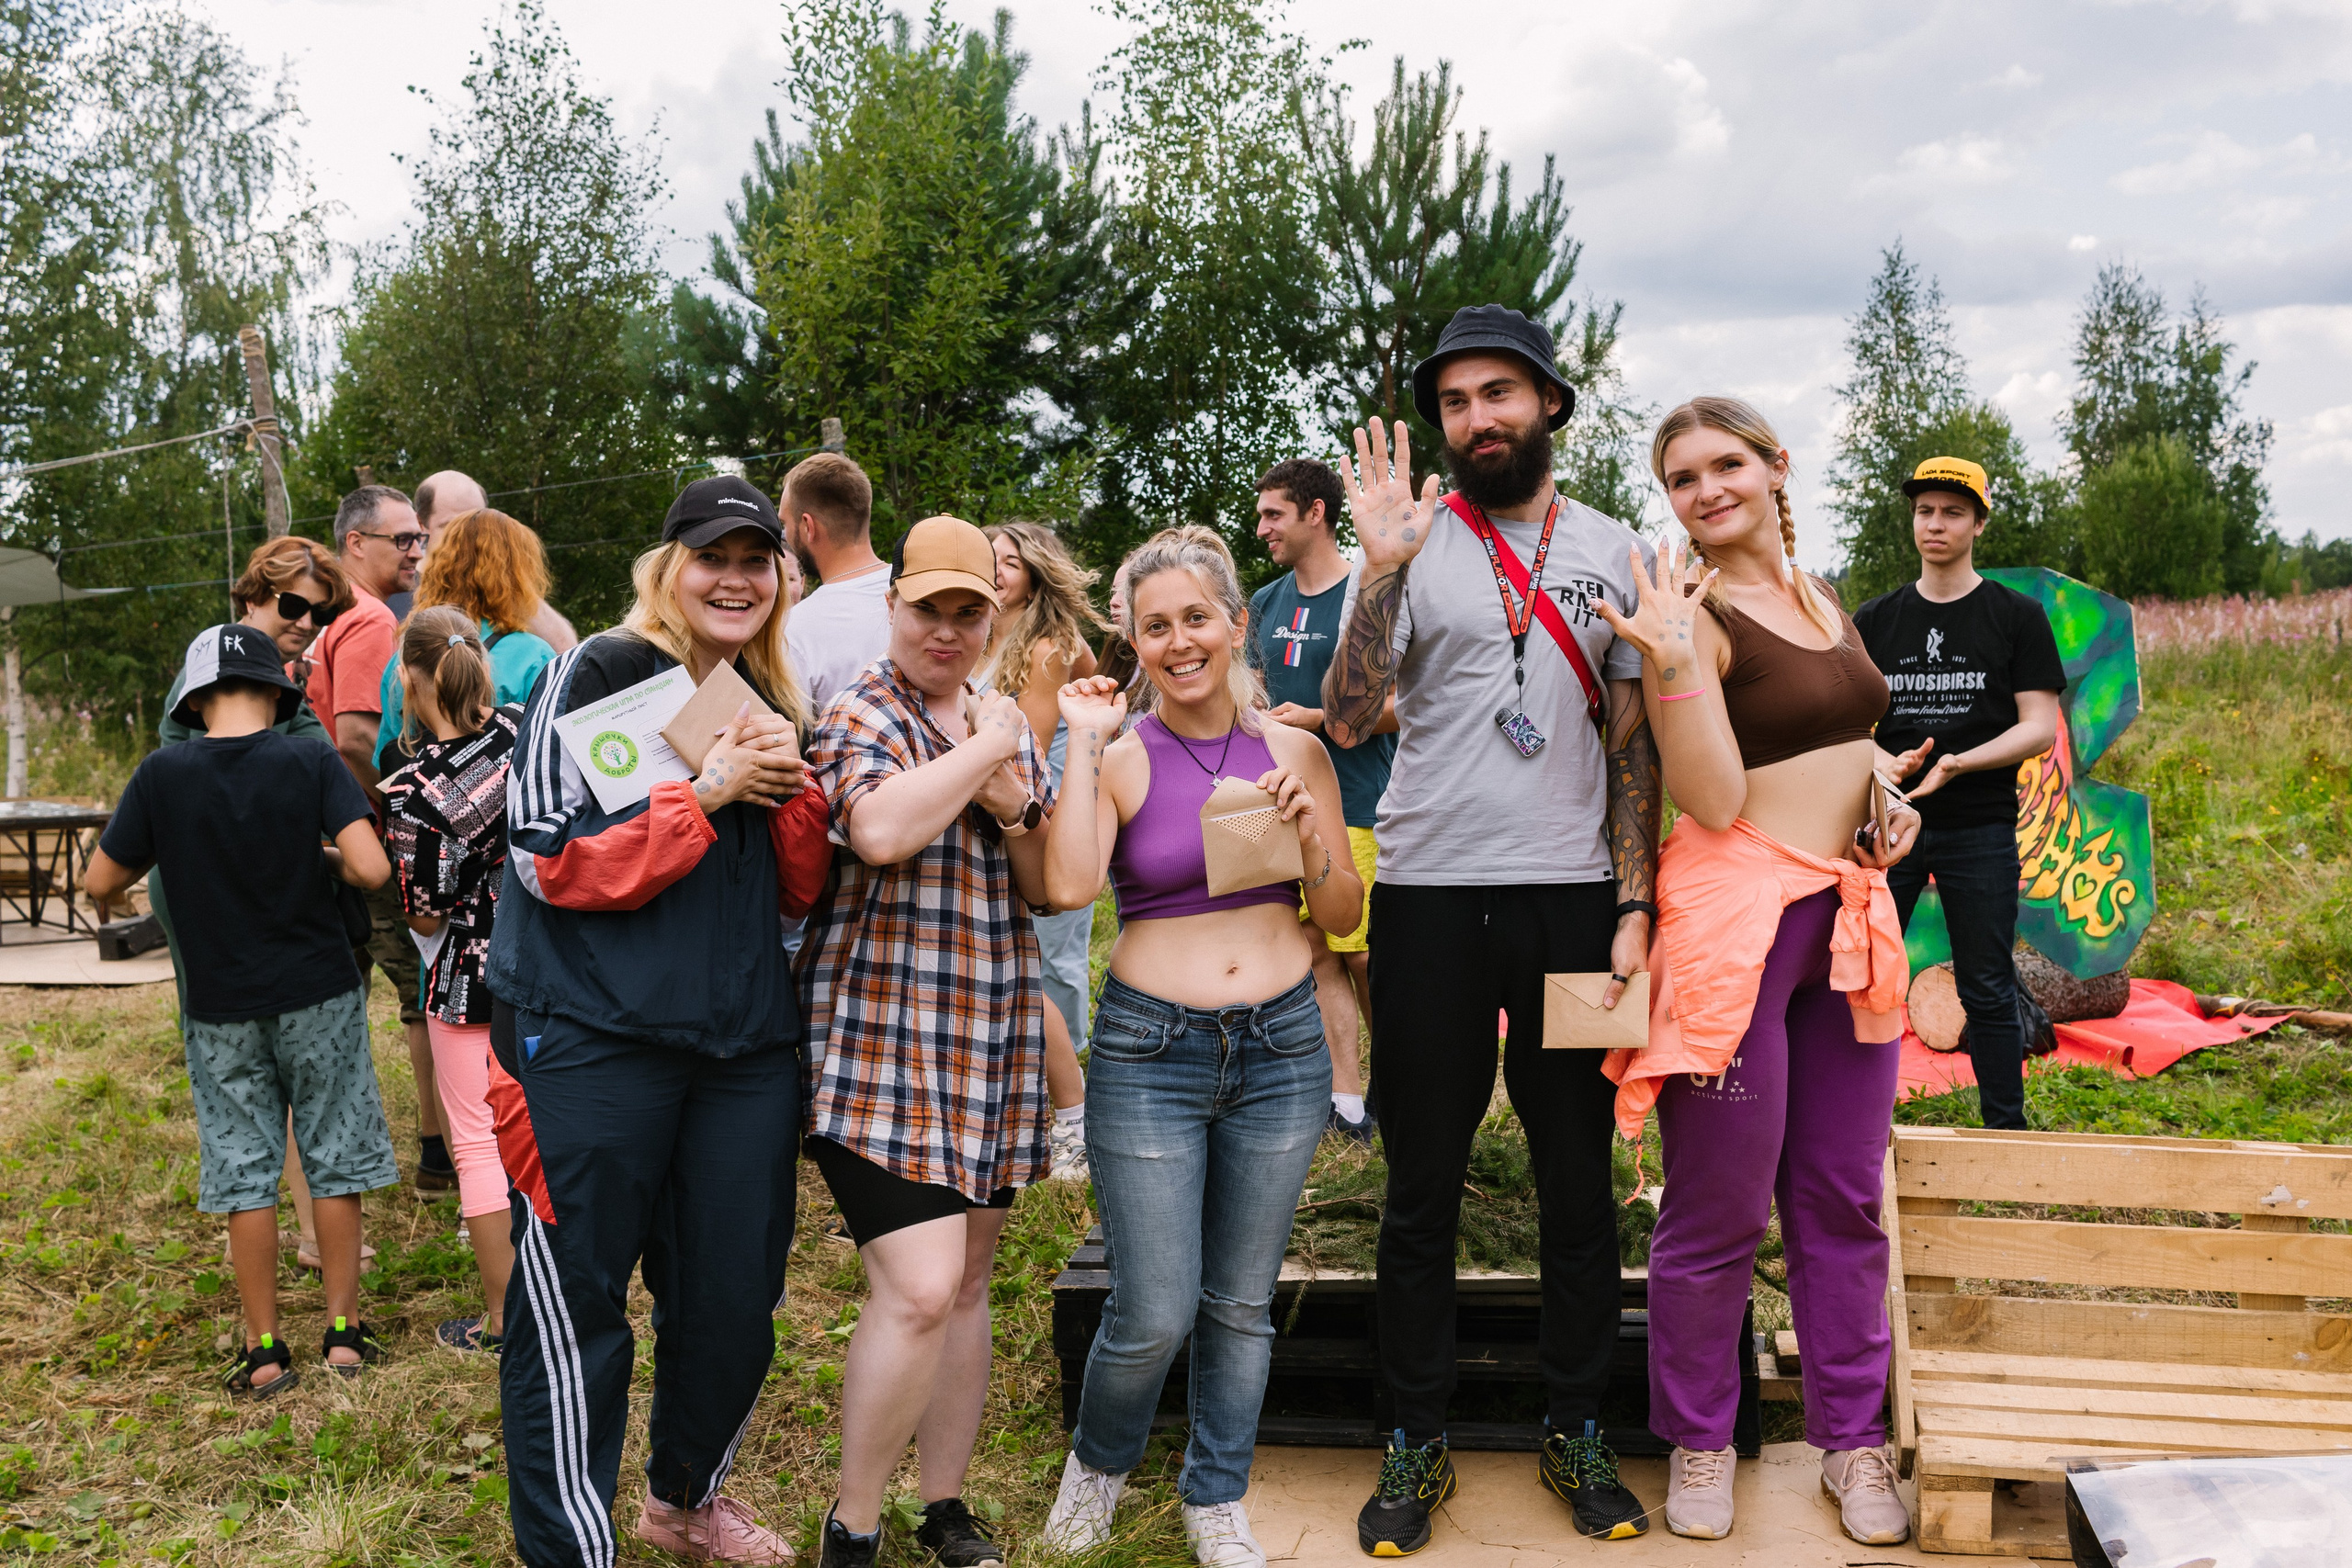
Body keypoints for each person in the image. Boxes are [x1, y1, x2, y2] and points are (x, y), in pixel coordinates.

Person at [1320, 305, 1662, 1549]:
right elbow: (1349, 715)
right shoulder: (1416, 541)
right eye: (1456, 401)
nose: (1476, 418)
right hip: (1425, 899)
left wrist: (1634, 901)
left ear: (1549, 404)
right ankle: (1416, 1435)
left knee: (1578, 1179)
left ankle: (1579, 1426)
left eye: (1498, 394)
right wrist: (1380, 568)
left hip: (1574, 899)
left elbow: (1630, 750)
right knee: (1424, 1184)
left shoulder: (1618, 549)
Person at [485, 475, 831, 1568]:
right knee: (577, 1302)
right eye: (711, 557)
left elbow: (802, 889)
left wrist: (789, 791)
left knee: (733, 1298)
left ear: (780, 577)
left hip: (740, 1051)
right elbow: (546, 857)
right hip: (590, 1040)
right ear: (667, 568)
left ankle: (686, 1498)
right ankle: (573, 1548)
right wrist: (706, 789)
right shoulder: (600, 669)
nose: (733, 578)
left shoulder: (768, 692)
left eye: (755, 560)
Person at [1594, 396, 1920, 1546]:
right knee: (1719, 1205)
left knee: (1838, 1197)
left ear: (1775, 467)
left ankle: (1850, 1443)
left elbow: (1840, 736)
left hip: (1840, 914)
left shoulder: (1820, 595)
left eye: (1724, 463)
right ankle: (1696, 1440)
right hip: (1741, 932)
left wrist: (1884, 797)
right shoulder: (1695, 613)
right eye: (1681, 478)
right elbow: (1718, 800)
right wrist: (1677, 665)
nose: (1706, 490)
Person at [1040, 526, 1362, 1568]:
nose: (1178, 642)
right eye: (1154, 627)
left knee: (1241, 1302)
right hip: (1150, 1052)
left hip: (1281, 1049)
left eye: (1195, 619)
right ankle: (1096, 1468)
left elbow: (1344, 911)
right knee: (1153, 1307)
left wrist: (1312, 832)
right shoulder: (1123, 758)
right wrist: (1084, 740)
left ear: (1234, 625)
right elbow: (1069, 886)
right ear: (1134, 643)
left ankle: (1215, 1494)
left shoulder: (1295, 749)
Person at [797, 514, 1054, 1568]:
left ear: (990, 619)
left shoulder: (1002, 721)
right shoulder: (861, 706)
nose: (945, 631)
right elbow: (881, 831)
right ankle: (852, 1525)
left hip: (984, 1030)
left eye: (967, 612)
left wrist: (1020, 802)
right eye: (927, 609)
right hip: (875, 1041)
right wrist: (993, 750)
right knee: (916, 1286)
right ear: (891, 605)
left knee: (971, 1282)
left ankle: (943, 1506)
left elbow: (1044, 889)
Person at [85, 625, 397, 1393]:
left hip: (219, 1003)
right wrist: (316, 852)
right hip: (319, 992)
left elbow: (99, 883)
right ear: (278, 692)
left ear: (193, 699)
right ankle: (344, 1336)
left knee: (244, 1170)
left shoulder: (162, 774)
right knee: (331, 1157)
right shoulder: (309, 755)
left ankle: (263, 1350)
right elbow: (370, 867)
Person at [152, 536, 359, 1275]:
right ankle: (303, 1223)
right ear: (251, 598)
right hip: (224, 898)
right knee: (264, 1061)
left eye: (321, 611)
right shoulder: (218, 671)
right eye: (293, 605)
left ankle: (310, 1224)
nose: (306, 621)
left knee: (299, 1055)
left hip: (270, 890)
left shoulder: (279, 675)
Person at [1854, 457, 2063, 1132]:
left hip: (1981, 826)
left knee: (1987, 987)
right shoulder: (1875, 619)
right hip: (1889, 826)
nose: (1935, 524)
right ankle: (1851, 1128)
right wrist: (1885, 760)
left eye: (1951, 511)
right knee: (1863, 981)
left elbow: (2037, 726)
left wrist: (1959, 763)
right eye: (1924, 511)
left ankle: (2007, 1133)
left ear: (1978, 522)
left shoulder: (2016, 617)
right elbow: (1845, 724)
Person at [380, 607, 525, 1356]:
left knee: (477, 1143)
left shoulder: (413, 791)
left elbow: (427, 913)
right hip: (551, 967)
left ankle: (504, 1319)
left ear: (410, 677)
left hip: (469, 979)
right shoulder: (525, 732)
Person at [1250, 457, 1396, 1145]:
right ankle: (1348, 1100)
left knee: (1363, 952)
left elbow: (1413, 704)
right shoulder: (1264, 603)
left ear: (1316, 512)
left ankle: (1404, 1089)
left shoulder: (1370, 589)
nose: (1262, 529)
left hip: (1362, 799)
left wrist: (1322, 717)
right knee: (1315, 948)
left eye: (1274, 514)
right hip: (1281, 804)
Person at [313, 484, 451, 1194]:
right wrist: (416, 802)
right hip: (370, 835)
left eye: (419, 538)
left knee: (340, 997)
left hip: (324, 841)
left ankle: (337, 1162)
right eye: (401, 538)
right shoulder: (368, 620)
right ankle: (437, 1153)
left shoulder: (327, 619)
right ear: (354, 544)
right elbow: (357, 737)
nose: (416, 550)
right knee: (423, 987)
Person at [983, 521, 1108, 1176]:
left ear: (1034, 571)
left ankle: (1077, 1108)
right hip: (994, 813)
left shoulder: (1049, 646)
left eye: (1009, 560)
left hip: (1047, 820)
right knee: (1013, 956)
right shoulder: (978, 638)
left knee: (1046, 962)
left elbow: (1022, 742)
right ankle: (1040, 1094)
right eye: (989, 560)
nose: (997, 569)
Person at [371, 508, 559, 770]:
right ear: (519, 574)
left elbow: (390, 759)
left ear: (440, 567)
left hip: (427, 806)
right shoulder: (534, 656)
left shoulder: (407, 657)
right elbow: (551, 758)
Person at [406, 468, 580, 652]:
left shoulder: (500, 593)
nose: (466, 536)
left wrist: (516, 586)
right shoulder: (398, 588)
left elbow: (566, 650)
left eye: (477, 523)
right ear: (420, 525)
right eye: (452, 525)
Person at [782, 452, 889, 709]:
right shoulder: (918, 589)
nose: (784, 532)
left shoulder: (796, 629)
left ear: (808, 526)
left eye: (784, 522)